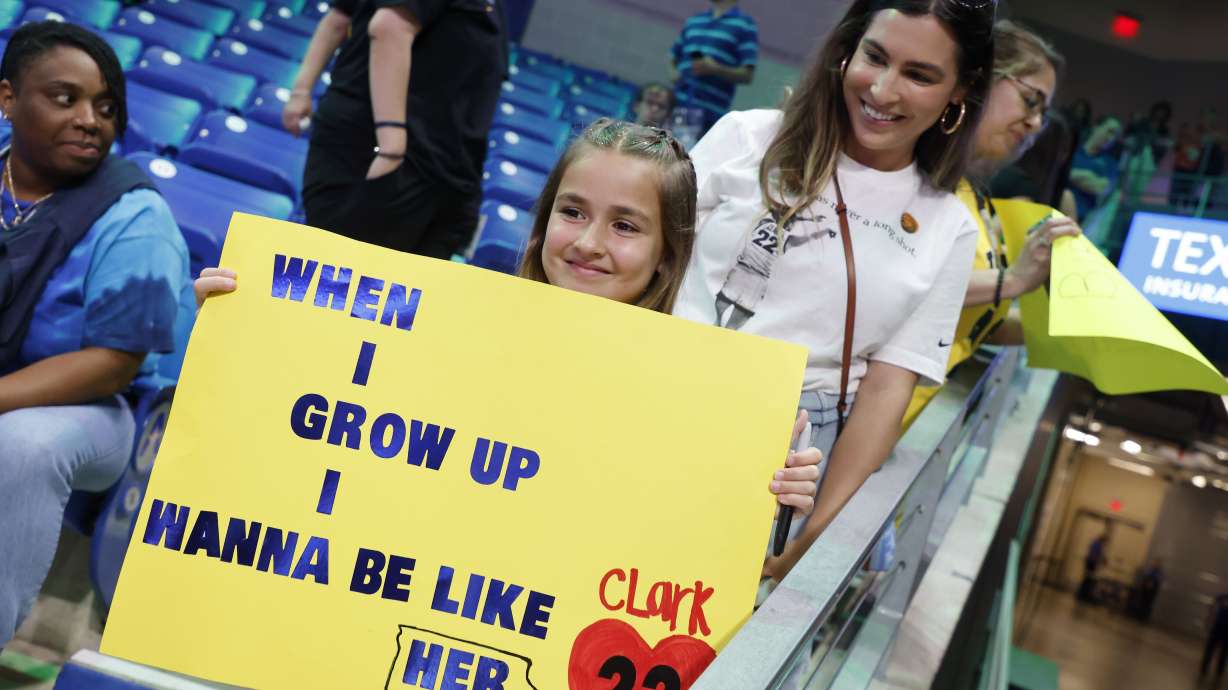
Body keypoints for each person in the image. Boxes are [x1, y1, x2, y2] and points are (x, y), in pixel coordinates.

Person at [195, 120, 826, 563]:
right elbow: (322, 427)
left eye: (626, 225)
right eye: (572, 211)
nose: (587, 242)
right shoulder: (450, 331)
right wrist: (241, 328)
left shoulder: (706, 399)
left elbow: (704, 560)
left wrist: (769, 501)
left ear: (667, 256)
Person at [672, 0, 996, 579]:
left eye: (919, 75)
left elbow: (885, 393)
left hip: (783, 462)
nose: (884, 90)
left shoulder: (948, 228)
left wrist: (811, 534)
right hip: (664, 395)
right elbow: (654, 269)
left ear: (959, 91)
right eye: (875, 57)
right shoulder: (745, 137)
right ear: (847, 48)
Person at [0, 21, 192, 647]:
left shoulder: (135, 212)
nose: (90, 119)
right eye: (65, 98)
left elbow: (112, 362)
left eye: (106, 107)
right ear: (8, 100)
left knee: (25, 445)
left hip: (90, 411)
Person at [902, 21, 1082, 429]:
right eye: (1030, 100)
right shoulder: (908, 172)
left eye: (1043, 111)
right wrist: (1014, 281)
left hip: (880, 433)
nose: (1036, 123)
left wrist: (1081, 329)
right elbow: (901, 282)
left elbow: (977, 326)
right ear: (981, 80)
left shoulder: (970, 195)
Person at [283, 1, 507, 257]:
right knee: (346, 276)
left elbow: (340, 18)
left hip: (440, 167)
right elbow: (388, 26)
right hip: (387, 159)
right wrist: (391, 147)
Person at [669, 0, 758, 134]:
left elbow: (747, 75)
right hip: (676, 105)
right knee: (666, 152)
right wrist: (673, 73)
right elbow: (673, 55)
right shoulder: (694, 21)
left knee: (688, 154)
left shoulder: (745, 25)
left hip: (709, 116)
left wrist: (716, 69)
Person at [1068, 115, 1122, 221]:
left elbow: (1101, 188)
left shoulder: (1110, 163)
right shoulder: (1071, 150)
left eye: (1115, 136)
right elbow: (1056, 175)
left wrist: (1070, 175)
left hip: (1084, 220)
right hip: (1054, 210)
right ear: (1096, 127)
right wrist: (1088, 176)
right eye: (1110, 131)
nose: (1111, 138)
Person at [1202, 592, 1228, 680]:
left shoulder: (1223, 597)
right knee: (1210, 649)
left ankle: (1219, 673)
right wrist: (1208, 619)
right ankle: (1204, 669)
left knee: (1223, 654)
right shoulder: (1223, 597)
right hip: (1217, 627)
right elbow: (1213, 606)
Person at [1076, 531, 1108, 602]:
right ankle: (1082, 595)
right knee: (1088, 579)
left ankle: (1083, 594)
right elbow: (1095, 555)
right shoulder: (1097, 544)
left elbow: (1098, 554)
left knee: (1087, 579)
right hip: (1091, 563)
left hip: (1090, 562)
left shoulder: (1096, 543)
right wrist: (1102, 561)